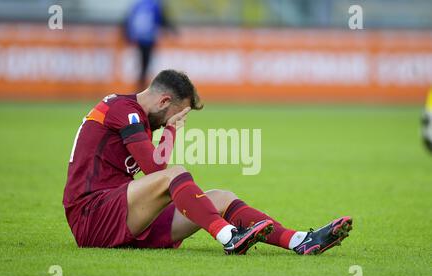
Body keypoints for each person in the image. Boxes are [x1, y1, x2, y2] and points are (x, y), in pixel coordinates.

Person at [62, 69, 352, 255]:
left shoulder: (138, 117)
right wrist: (172, 131)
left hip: (118, 214)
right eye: (177, 113)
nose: (173, 121)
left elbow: (155, 170)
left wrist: (169, 131)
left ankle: (299, 240)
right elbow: (156, 170)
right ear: (164, 102)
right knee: (175, 174)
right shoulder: (123, 110)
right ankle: (228, 237)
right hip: (92, 215)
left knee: (221, 198)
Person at [124, 0, 176, 91]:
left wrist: (128, 36)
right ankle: (142, 90)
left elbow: (129, 20)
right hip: (148, 38)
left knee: (142, 65)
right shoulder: (155, 4)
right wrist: (171, 30)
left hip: (138, 38)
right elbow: (161, 19)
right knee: (145, 65)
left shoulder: (138, 4)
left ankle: (140, 88)